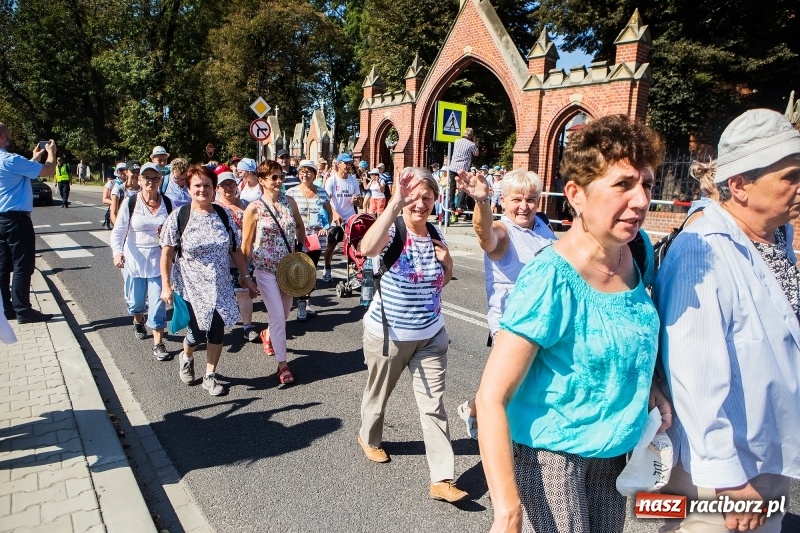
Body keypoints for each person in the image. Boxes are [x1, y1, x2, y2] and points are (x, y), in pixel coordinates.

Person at [476, 115, 671, 532]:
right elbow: (491, 397)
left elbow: (633, 330)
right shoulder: (550, 278)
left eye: (647, 184)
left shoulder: (639, 252)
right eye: (622, 184)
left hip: (612, 453)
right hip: (552, 458)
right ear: (576, 194)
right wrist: (507, 513)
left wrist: (651, 386)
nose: (640, 200)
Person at [654, 109, 800, 533]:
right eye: (789, 177)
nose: (799, 188)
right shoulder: (703, 250)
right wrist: (730, 482)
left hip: (767, 453)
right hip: (723, 477)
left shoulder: (774, 236)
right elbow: (693, 376)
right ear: (739, 186)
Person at [356, 167, 466, 503]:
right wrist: (393, 204)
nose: (420, 203)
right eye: (415, 196)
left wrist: (448, 265)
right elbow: (368, 248)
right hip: (389, 333)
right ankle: (369, 437)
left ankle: (442, 479)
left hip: (431, 335)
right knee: (378, 395)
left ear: (436, 201)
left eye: (427, 197)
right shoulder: (393, 230)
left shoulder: (435, 233)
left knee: (433, 405)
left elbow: (439, 282)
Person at [452, 168, 557, 440]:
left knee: (510, 382)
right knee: (510, 388)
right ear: (503, 201)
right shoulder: (503, 231)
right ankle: (504, 444)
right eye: (517, 200)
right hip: (512, 323)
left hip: (543, 319)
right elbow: (485, 234)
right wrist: (481, 202)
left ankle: (473, 408)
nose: (524, 206)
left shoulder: (542, 225)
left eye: (531, 199)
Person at [160, 165, 257, 396]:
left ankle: (210, 375)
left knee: (216, 331)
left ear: (214, 189)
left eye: (207, 185)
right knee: (195, 333)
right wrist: (166, 285)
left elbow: (235, 250)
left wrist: (245, 277)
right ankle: (187, 355)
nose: (202, 190)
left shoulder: (222, 215)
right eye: (197, 185)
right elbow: (167, 253)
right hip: (191, 286)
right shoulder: (179, 216)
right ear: (189, 187)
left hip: (220, 285)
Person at [241, 160, 305, 385]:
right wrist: (245, 274)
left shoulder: (290, 202)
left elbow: (298, 225)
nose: (279, 181)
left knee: (284, 314)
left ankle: (268, 335)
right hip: (265, 270)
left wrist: (302, 247)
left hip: (289, 269)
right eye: (273, 178)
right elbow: (246, 243)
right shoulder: (253, 208)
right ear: (262, 181)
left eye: (280, 176)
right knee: (277, 315)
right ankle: (282, 364)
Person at [111, 162, 171, 360]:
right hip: (134, 261)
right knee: (136, 303)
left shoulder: (168, 204)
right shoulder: (131, 202)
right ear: (140, 180)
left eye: (155, 178)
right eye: (147, 178)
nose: (151, 182)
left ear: (160, 180)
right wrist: (117, 252)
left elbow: (176, 230)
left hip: (158, 261)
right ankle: (138, 319)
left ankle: (159, 343)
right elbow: (119, 230)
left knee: (157, 303)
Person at [0, 125, 56, 323]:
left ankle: (6, 310)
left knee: (2, 266)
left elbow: (20, 174)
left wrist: (33, 159)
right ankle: (23, 311)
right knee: (22, 266)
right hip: (16, 220)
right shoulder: (9, 159)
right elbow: (49, 171)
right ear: (3, 136)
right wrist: (51, 154)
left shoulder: (12, 162)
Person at [285, 160, 332, 321]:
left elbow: (329, 211)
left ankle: (307, 301)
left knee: (311, 270)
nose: (305, 174)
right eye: (302, 172)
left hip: (315, 238)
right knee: (300, 271)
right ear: (298, 174)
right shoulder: (291, 193)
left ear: (314, 174)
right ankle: (301, 304)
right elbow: (285, 214)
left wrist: (327, 226)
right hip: (298, 237)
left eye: (309, 171)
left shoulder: (321, 192)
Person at [214, 171, 257, 342]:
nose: (228, 188)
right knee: (220, 293)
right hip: (223, 258)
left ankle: (247, 327)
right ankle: (218, 325)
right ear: (217, 188)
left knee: (243, 292)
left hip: (246, 255)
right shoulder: (214, 208)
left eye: (231, 184)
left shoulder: (246, 205)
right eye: (224, 185)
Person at [322, 153, 360, 282]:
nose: (348, 166)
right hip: (335, 218)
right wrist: (334, 213)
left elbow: (359, 202)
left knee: (352, 245)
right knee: (331, 245)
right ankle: (327, 267)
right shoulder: (331, 180)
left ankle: (354, 271)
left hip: (350, 217)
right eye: (346, 163)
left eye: (350, 163)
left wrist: (357, 201)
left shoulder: (353, 180)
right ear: (338, 164)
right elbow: (325, 201)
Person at [446, 128, 478, 223]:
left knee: (452, 187)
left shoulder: (457, 141)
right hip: (463, 168)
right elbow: (476, 153)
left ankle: (451, 206)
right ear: (471, 136)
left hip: (453, 167)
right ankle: (460, 205)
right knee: (465, 186)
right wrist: (475, 142)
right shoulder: (471, 144)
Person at [110, 160, 141, 225]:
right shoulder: (119, 189)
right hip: (123, 226)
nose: (136, 175)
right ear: (126, 172)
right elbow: (113, 213)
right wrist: (119, 230)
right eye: (133, 172)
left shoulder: (143, 189)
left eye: (138, 172)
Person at [102, 162, 126, 229]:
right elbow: (104, 199)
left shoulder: (132, 183)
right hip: (116, 210)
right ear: (117, 172)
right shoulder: (111, 183)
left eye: (125, 169)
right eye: (121, 170)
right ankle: (107, 221)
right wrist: (116, 202)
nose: (123, 172)